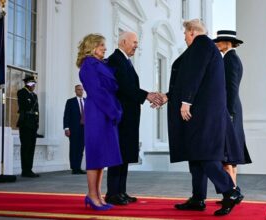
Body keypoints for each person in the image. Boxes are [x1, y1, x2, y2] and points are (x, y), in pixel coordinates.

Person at [159, 19, 240, 216]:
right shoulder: (204, 48)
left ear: (193, 32)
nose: (185, 38)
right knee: (196, 157)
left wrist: (186, 101)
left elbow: (195, 75)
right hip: (202, 113)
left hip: (204, 114)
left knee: (206, 157)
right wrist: (169, 97)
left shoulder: (202, 44)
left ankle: (231, 192)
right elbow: (188, 79)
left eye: (186, 34)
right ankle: (198, 198)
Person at [105, 31, 162, 205]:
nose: (136, 45)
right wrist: (147, 95)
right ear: (123, 41)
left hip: (128, 117)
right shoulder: (115, 60)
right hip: (120, 116)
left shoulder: (126, 61)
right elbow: (123, 87)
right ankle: (112, 193)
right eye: (134, 42)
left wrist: (146, 95)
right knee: (118, 155)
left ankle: (121, 191)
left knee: (125, 154)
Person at [77, 33, 122, 211]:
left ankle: (98, 195)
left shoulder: (100, 64)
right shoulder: (88, 65)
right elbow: (97, 91)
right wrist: (114, 111)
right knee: (95, 155)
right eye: (101, 45)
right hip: (98, 111)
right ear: (92, 46)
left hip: (105, 111)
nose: (105, 48)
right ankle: (92, 195)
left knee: (102, 156)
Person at [213, 30, 252, 202]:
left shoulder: (230, 59)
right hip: (232, 109)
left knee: (228, 154)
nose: (216, 44)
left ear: (227, 43)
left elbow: (232, 87)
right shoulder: (229, 58)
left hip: (230, 110)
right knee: (230, 155)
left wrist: (228, 112)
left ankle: (232, 192)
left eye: (218, 41)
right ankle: (233, 189)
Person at [17, 75, 40, 178]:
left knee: (31, 147)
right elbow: (24, 106)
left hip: (33, 125)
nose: (33, 86)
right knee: (25, 147)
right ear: (26, 83)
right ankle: (25, 170)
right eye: (31, 83)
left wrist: (37, 123)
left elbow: (37, 111)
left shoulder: (34, 96)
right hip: (25, 123)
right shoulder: (22, 92)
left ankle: (29, 169)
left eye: (34, 84)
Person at [63, 84, 86, 175]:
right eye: (78, 90)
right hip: (73, 128)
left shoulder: (86, 101)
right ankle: (74, 168)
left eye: (81, 90)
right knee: (73, 148)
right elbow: (66, 116)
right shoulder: (70, 102)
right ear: (75, 91)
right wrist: (66, 128)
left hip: (84, 129)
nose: (80, 91)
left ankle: (78, 167)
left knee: (80, 148)